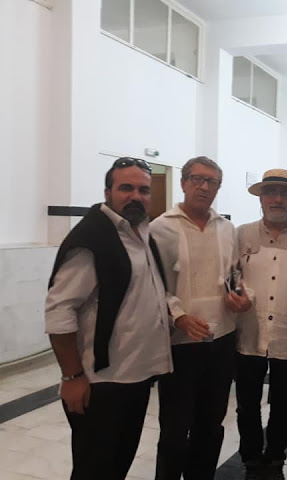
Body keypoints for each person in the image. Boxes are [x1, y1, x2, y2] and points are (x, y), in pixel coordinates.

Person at [45, 157, 173, 480]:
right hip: (101, 383)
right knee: (94, 469)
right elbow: (59, 310)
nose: (136, 196)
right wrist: (72, 377)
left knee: (117, 465)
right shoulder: (93, 238)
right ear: (107, 192)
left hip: (135, 377)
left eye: (143, 190)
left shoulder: (140, 232)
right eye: (126, 188)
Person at [151, 156, 252, 480]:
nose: (204, 187)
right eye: (197, 179)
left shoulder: (226, 229)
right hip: (180, 344)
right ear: (183, 182)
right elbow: (153, 285)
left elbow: (233, 274)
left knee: (210, 425)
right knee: (174, 429)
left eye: (212, 182)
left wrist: (241, 296)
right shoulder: (160, 228)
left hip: (221, 340)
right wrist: (179, 316)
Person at [235, 168, 287, 480]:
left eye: (285, 193)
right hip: (248, 335)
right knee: (247, 405)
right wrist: (236, 293)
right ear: (261, 198)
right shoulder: (241, 234)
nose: (277, 199)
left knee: (284, 406)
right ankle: (251, 459)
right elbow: (230, 275)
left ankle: (276, 458)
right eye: (271, 192)